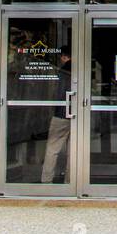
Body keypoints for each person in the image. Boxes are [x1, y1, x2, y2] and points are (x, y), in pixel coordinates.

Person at [40, 49, 73, 184]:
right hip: (78, 115)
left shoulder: (62, 72)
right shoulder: (82, 69)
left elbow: (57, 93)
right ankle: (71, 182)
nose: (60, 60)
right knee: (75, 151)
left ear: (65, 57)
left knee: (52, 149)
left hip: (61, 114)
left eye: (61, 58)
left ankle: (46, 181)